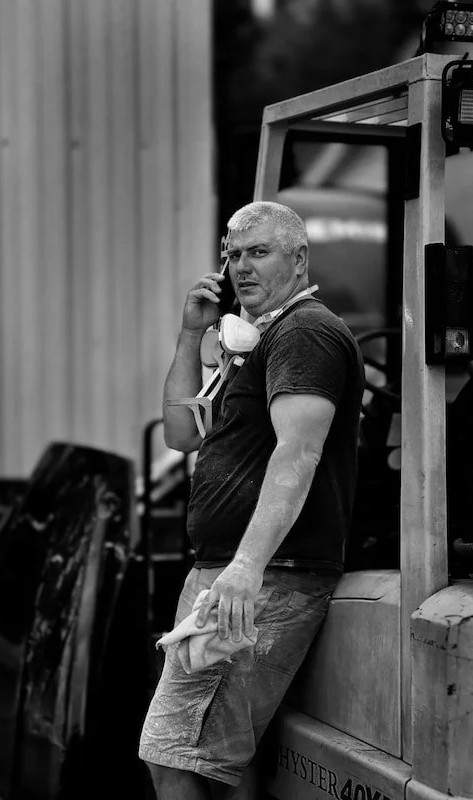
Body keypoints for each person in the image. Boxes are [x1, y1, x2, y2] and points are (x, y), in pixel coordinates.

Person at [139, 201, 364, 799]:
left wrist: (246, 567)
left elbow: (299, 451)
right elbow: (181, 434)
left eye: (258, 252)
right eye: (233, 255)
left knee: (178, 761)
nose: (241, 267)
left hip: (261, 579)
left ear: (298, 258)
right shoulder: (253, 338)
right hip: (230, 577)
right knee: (202, 767)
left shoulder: (305, 332)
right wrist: (192, 333)